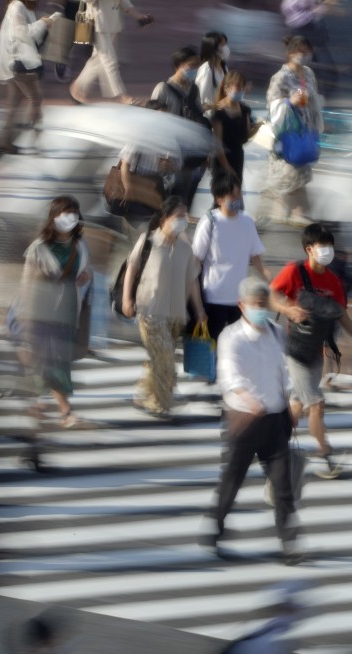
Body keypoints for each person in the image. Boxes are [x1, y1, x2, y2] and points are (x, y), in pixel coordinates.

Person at [201, 277, 303, 565]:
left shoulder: (275, 333)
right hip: (243, 422)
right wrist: (249, 400)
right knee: (232, 481)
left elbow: (284, 371)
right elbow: (230, 378)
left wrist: (292, 400)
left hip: (275, 419)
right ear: (241, 306)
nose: (261, 310)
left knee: (283, 487)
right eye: (256, 305)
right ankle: (216, 529)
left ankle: (290, 543)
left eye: (264, 305)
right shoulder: (231, 337)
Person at [270, 223, 352, 479]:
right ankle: (326, 454)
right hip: (294, 350)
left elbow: (342, 316)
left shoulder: (334, 282)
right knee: (316, 404)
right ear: (309, 249)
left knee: (297, 402)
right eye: (322, 246)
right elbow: (270, 294)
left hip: (315, 351)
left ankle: (273, 447)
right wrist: (288, 310)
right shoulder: (294, 271)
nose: (328, 251)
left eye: (330, 246)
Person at [122, 197, 206, 419]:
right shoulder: (148, 242)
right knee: (165, 358)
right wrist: (126, 299)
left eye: (184, 216)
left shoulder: (186, 249)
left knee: (160, 356)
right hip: (150, 311)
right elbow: (131, 268)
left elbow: (192, 281)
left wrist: (199, 311)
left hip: (177, 314)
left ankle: (143, 391)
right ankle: (159, 404)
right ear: (164, 219)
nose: (182, 221)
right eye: (178, 216)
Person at [19, 196, 93, 428]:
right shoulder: (39, 248)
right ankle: (65, 411)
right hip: (41, 312)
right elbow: (26, 285)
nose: (69, 217)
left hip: (68, 310)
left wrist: (86, 276)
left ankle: (38, 403)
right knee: (52, 360)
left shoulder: (80, 246)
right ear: (53, 216)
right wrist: (26, 320)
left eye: (73, 212)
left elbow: (85, 274)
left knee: (57, 360)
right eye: (64, 212)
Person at [192, 173, 268, 341]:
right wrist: (198, 305)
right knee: (213, 348)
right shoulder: (210, 222)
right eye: (232, 195)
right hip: (213, 298)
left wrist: (270, 280)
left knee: (239, 346)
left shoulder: (247, 221)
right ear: (219, 199)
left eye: (238, 193)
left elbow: (255, 256)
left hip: (240, 300)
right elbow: (196, 259)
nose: (237, 198)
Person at [265, 36, 324, 226]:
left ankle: (282, 212)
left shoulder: (308, 73)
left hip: (305, 130)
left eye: (306, 51)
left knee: (299, 169)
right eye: (299, 51)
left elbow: (315, 97)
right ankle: (296, 212)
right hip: (287, 132)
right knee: (291, 170)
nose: (303, 55)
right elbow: (272, 104)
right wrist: (290, 102)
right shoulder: (281, 77)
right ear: (289, 53)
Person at [0, 0, 59, 154]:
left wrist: (46, 24)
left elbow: (32, 37)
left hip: (16, 61)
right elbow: (21, 33)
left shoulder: (23, 7)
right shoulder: (17, 6)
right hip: (19, 61)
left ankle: (5, 142)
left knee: (14, 103)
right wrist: (42, 23)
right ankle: (37, 142)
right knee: (35, 99)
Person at [151, 47, 210, 211]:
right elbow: (154, 123)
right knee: (173, 196)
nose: (195, 69)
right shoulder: (163, 89)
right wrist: (160, 155)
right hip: (171, 153)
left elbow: (198, 116)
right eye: (191, 65)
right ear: (178, 65)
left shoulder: (194, 89)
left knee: (187, 196)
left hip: (191, 152)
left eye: (197, 65)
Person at [69, 0, 153, 105]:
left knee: (97, 61)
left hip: (112, 24)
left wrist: (139, 16)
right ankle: (119, 96)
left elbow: (124, 2)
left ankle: (78, 87)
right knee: (110, 61)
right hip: (97, 24)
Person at [281, 0, 341, 94]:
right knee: (310, 64)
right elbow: (315, 10)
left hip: (304, 29)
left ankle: (312, 91)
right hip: (305, 29)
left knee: (311, 64)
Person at [212, 71, 259, 186]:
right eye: (238, 86)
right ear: (227, 88)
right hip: (222, 160)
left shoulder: (245, 110)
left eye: (242, 86)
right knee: (223, 196)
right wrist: (227, 167)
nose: (241, 90)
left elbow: (245, 137)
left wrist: (257, 127)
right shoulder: (219, 112)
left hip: (238, 156)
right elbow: (218, 145)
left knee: (236, 194)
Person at [196, 30, 229, 111]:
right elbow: (200, 99)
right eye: (222, 45)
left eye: (226, 44)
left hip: (222, 113)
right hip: (210, 115)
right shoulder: (206, 69)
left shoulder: (224, 68)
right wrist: (216, 106)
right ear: (212, 48)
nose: (226, 48)